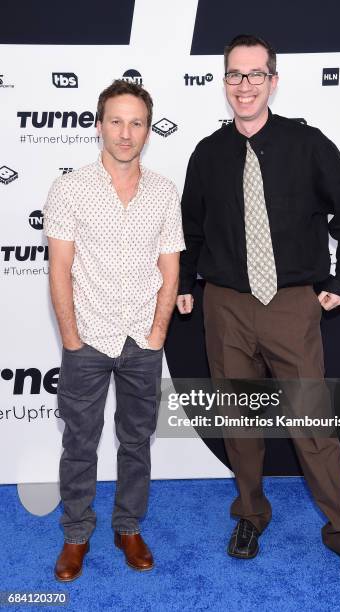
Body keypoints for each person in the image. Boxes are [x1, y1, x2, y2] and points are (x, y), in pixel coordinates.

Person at [177, 34, 340, 586]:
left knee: (311, 424)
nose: (243, 85)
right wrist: (183, 283)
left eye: (254, 74)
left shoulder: (309, 144)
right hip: (224, 305)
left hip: (292, 306)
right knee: (239, 424)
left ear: (273, 80)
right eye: (233, 75)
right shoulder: (207, 153)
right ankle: (249, 516)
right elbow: (191, 231)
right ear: (224, 82)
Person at [44, 79, 185, 581]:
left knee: (137, 439)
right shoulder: (69, 187)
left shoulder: (166, 192)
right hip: (87, 338)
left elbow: (170, 269)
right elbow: (59, 268)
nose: (126, 133)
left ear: (148, 130)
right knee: (79, 443)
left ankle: (128, 527)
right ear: (100, 124)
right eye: (117, 121)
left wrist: (158, 333)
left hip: (142, 341)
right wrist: (70, 337)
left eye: (137, 123)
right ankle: (76, 534)